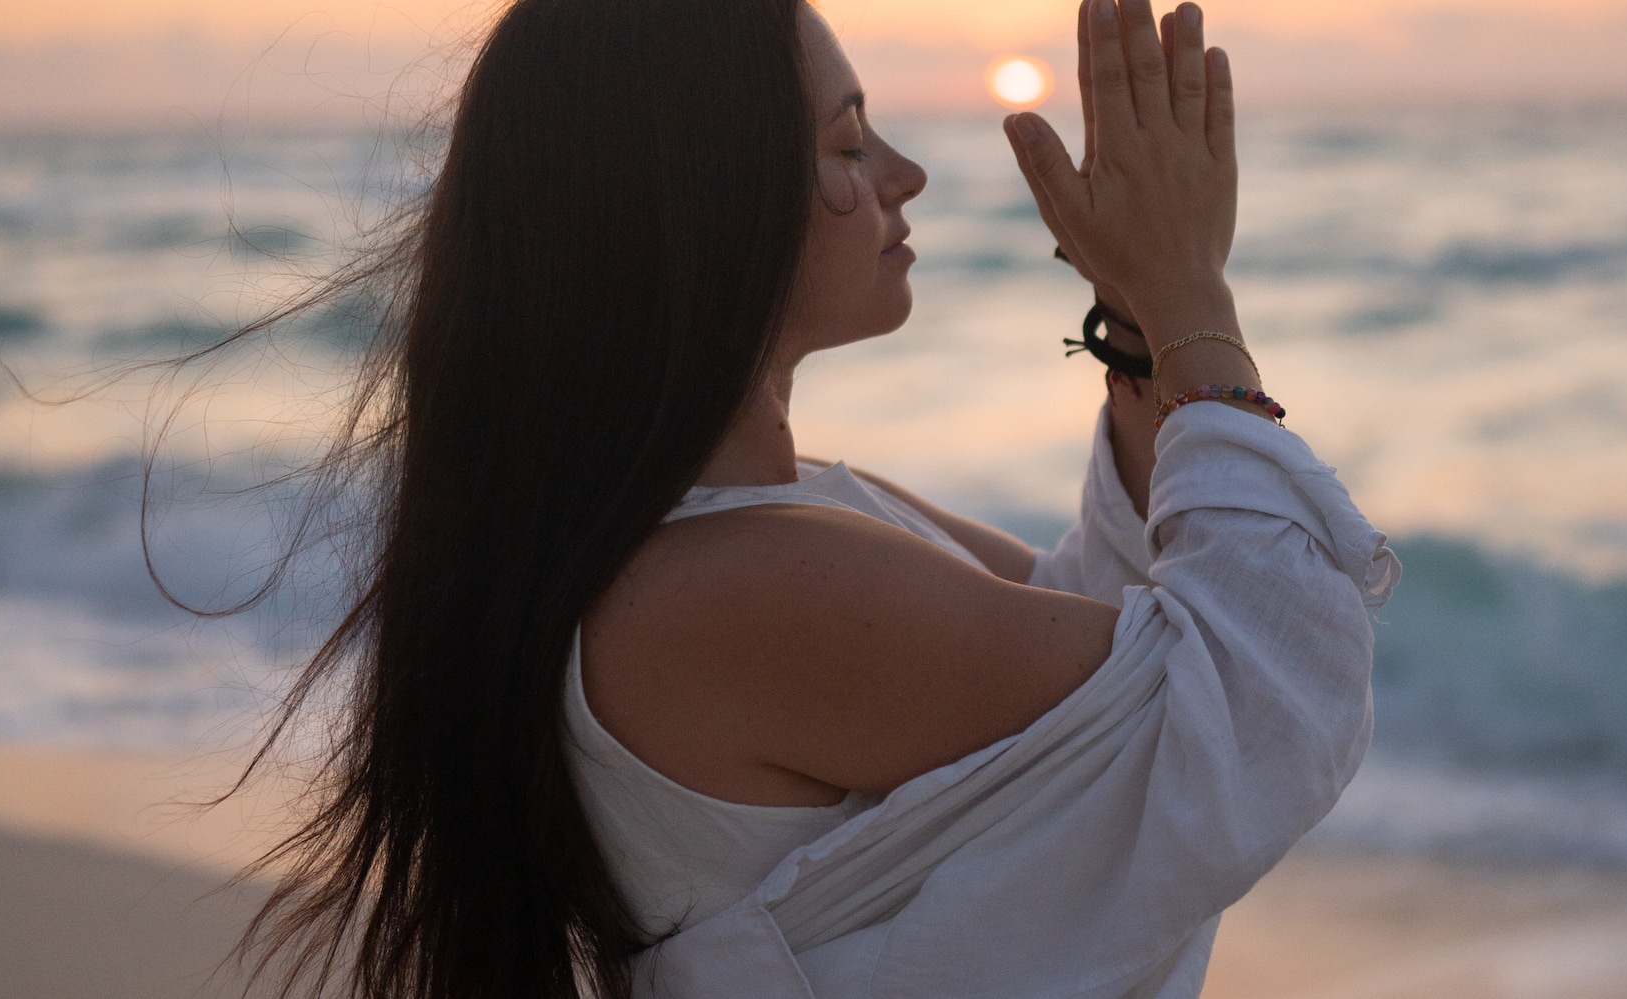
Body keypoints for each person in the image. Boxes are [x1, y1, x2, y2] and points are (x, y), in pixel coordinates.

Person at [236, 0, 1398, 996]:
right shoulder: (728, 586)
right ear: (707, 205)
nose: (903, 173)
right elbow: (1253, 705)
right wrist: (1192, 292)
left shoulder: (761, 529)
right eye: (846, 146)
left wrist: (1142, 324)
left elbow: (1089, 637)